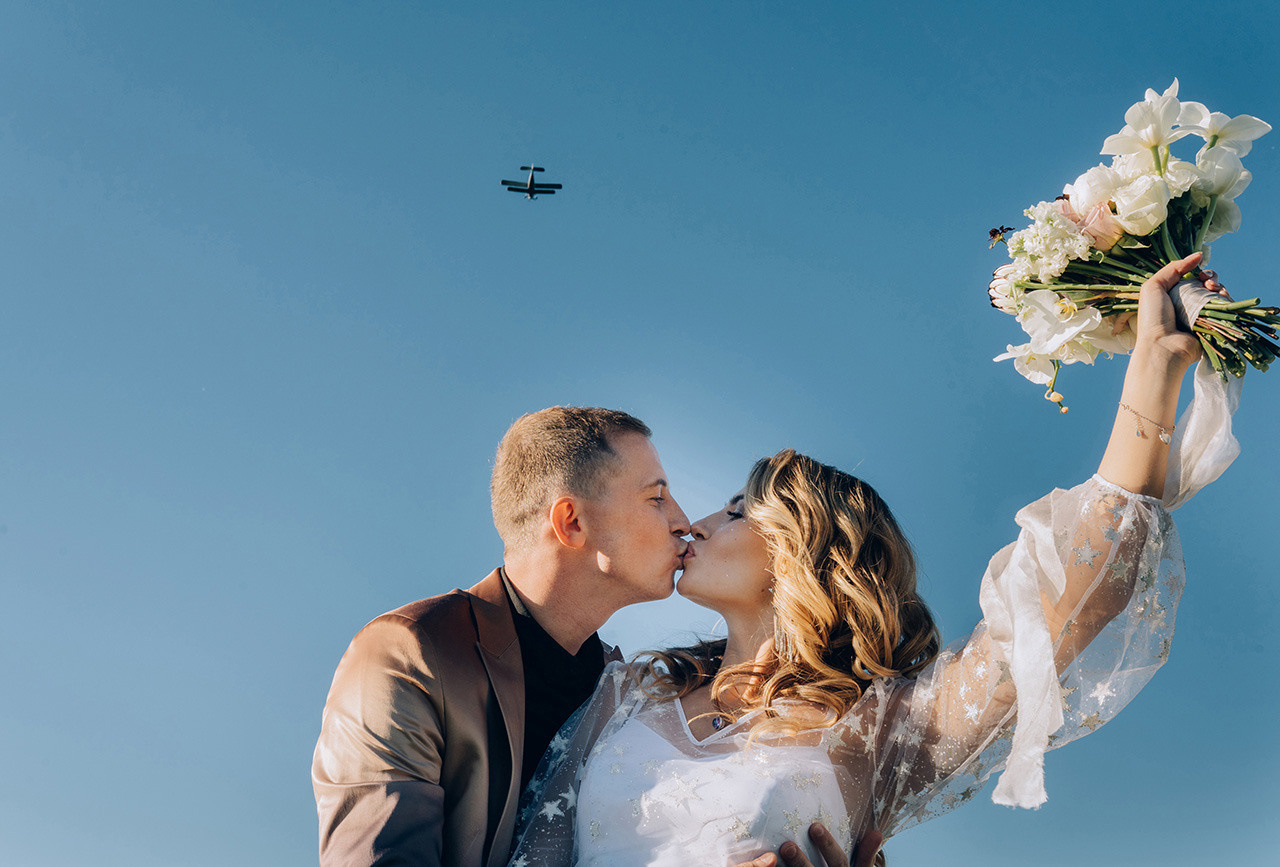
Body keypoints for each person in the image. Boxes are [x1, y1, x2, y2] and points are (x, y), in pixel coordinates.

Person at [505, 253, 1241, 866]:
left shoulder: (878, 729)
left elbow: (1065, 599)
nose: (693, 523)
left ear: (801, 549)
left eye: (736, 509)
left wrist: (1154, 365)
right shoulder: (627, 691)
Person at [311, 407, 861, 867]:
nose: (684, 521)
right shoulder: (412, 653)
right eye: (656, 497)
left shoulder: (629, 694)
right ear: (573, 523)